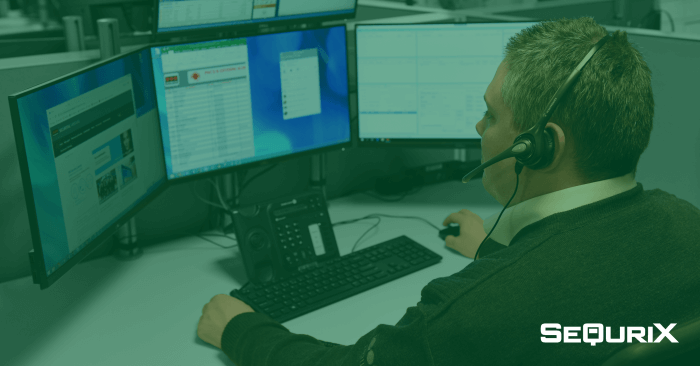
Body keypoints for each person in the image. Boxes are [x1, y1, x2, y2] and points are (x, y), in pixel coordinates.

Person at [197, 17, 700, 365]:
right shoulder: (688, 225)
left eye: (492, 115)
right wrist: (490, 250)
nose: (479, 127)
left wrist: (240, 330)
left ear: (540, 147)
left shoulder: (474, 311)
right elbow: (585, 296)